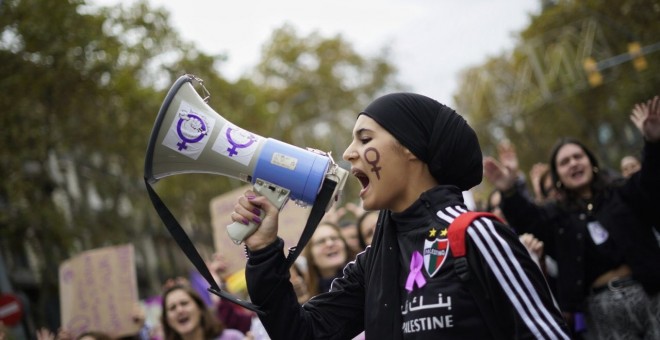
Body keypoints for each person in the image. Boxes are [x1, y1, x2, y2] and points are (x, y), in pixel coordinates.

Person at [231, 92, 569, 339]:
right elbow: (302, 334)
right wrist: (262, 252)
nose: (349, 153)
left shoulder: (476, 236)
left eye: (365, 139)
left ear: (410, 148)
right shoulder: (373, 264)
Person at [483, 95, 660, 339]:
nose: (573, 163)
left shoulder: (622, 191)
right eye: (564, 162)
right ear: (558, 176)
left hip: (651, 295)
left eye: (578, 157)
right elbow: (527, 218)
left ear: (591, 162)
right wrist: (509, 189)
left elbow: (652, 184)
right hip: (601, 313)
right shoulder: (557, 215)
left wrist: (653, 143)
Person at [160, 283, 245, 340]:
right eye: (172, 308)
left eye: (184, 303)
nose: (179, 310)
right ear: (167, 320)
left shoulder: (232, 338)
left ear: (199, 308)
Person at [300, 221, 350, 296]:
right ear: (311, 257)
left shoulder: (365, 280)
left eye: (334, 238)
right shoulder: (306, 301)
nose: (330, 244)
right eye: (321, 241)